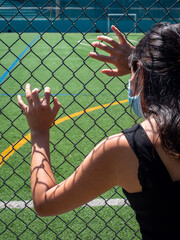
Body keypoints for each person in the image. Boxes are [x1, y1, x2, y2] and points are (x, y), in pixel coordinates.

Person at [17, 23, 180, 239]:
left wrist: (38, 132)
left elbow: (45, 203)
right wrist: (140, 62)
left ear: (141, 74)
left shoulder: (125, 149)